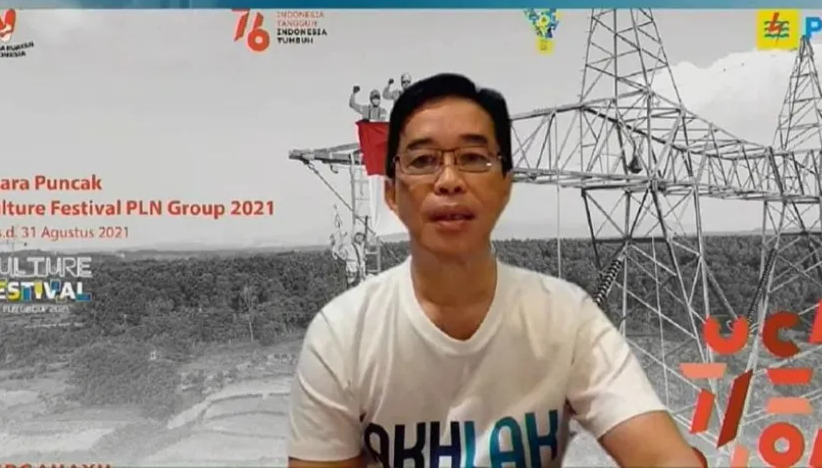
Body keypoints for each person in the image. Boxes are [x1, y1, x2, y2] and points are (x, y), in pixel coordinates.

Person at [289, 73, 702, 467]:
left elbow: (660, 453)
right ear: (392, 194)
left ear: (507, 185)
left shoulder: (568, 319)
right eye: (423, 160)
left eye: (473, 158)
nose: (449, 180)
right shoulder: (340, 336)